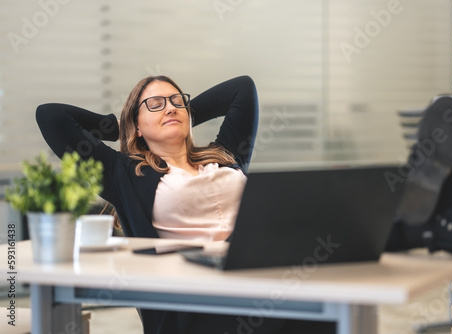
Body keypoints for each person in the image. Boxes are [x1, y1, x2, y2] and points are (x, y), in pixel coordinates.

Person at [36, 75, 337, 334]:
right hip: (195, 300)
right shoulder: (124, 173)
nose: (169, 107)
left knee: (330, 310)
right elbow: (50, 116)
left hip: (257, 280)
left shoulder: (226, 155)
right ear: (137, 126)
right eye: (154, 104)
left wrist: (180, 113)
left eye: (177, 101)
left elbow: (242, 89)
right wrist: (117, 126)